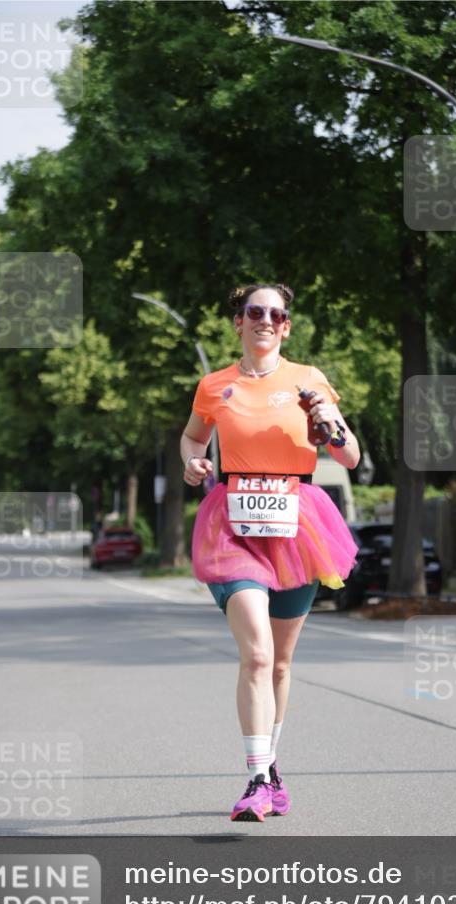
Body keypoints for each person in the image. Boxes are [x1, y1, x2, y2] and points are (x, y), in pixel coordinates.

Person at [181, 283, 360, 822]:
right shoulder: (215, 385)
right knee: (256, 653)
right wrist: (194, 463)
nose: (265, 320)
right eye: (254, 312)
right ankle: (257, 777)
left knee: (280, 662)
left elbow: (349, 456)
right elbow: (192, 438)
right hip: (233, 523)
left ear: (285, 326)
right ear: (238, 321)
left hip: (296, 524)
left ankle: (273, 766)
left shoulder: (308, 380)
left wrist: (327, 419)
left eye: (275, 314)